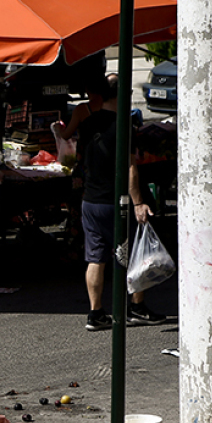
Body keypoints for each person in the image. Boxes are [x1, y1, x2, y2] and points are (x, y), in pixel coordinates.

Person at [77, 74, 166, 331]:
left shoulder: (87, 122)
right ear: (122, 96)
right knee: (133, 254)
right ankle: (136, 307)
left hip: (90, 200)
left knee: (96, 258)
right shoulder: (123, 125)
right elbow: (130, 167)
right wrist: (138, 202)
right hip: (115, 200)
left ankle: (96, 313)